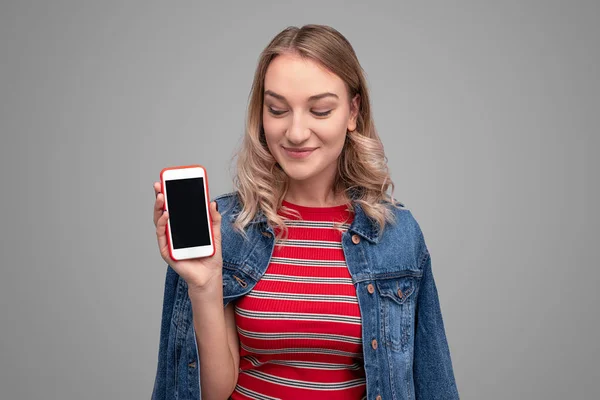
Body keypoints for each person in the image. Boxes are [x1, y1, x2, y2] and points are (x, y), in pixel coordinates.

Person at [151, 24, 459, 400]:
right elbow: (212, 390)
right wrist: (203, 286)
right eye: (277, 109)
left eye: (320, 110)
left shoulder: (397, 236)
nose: (296, 132)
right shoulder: (227, 228)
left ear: (353, 112)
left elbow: (433, 379)